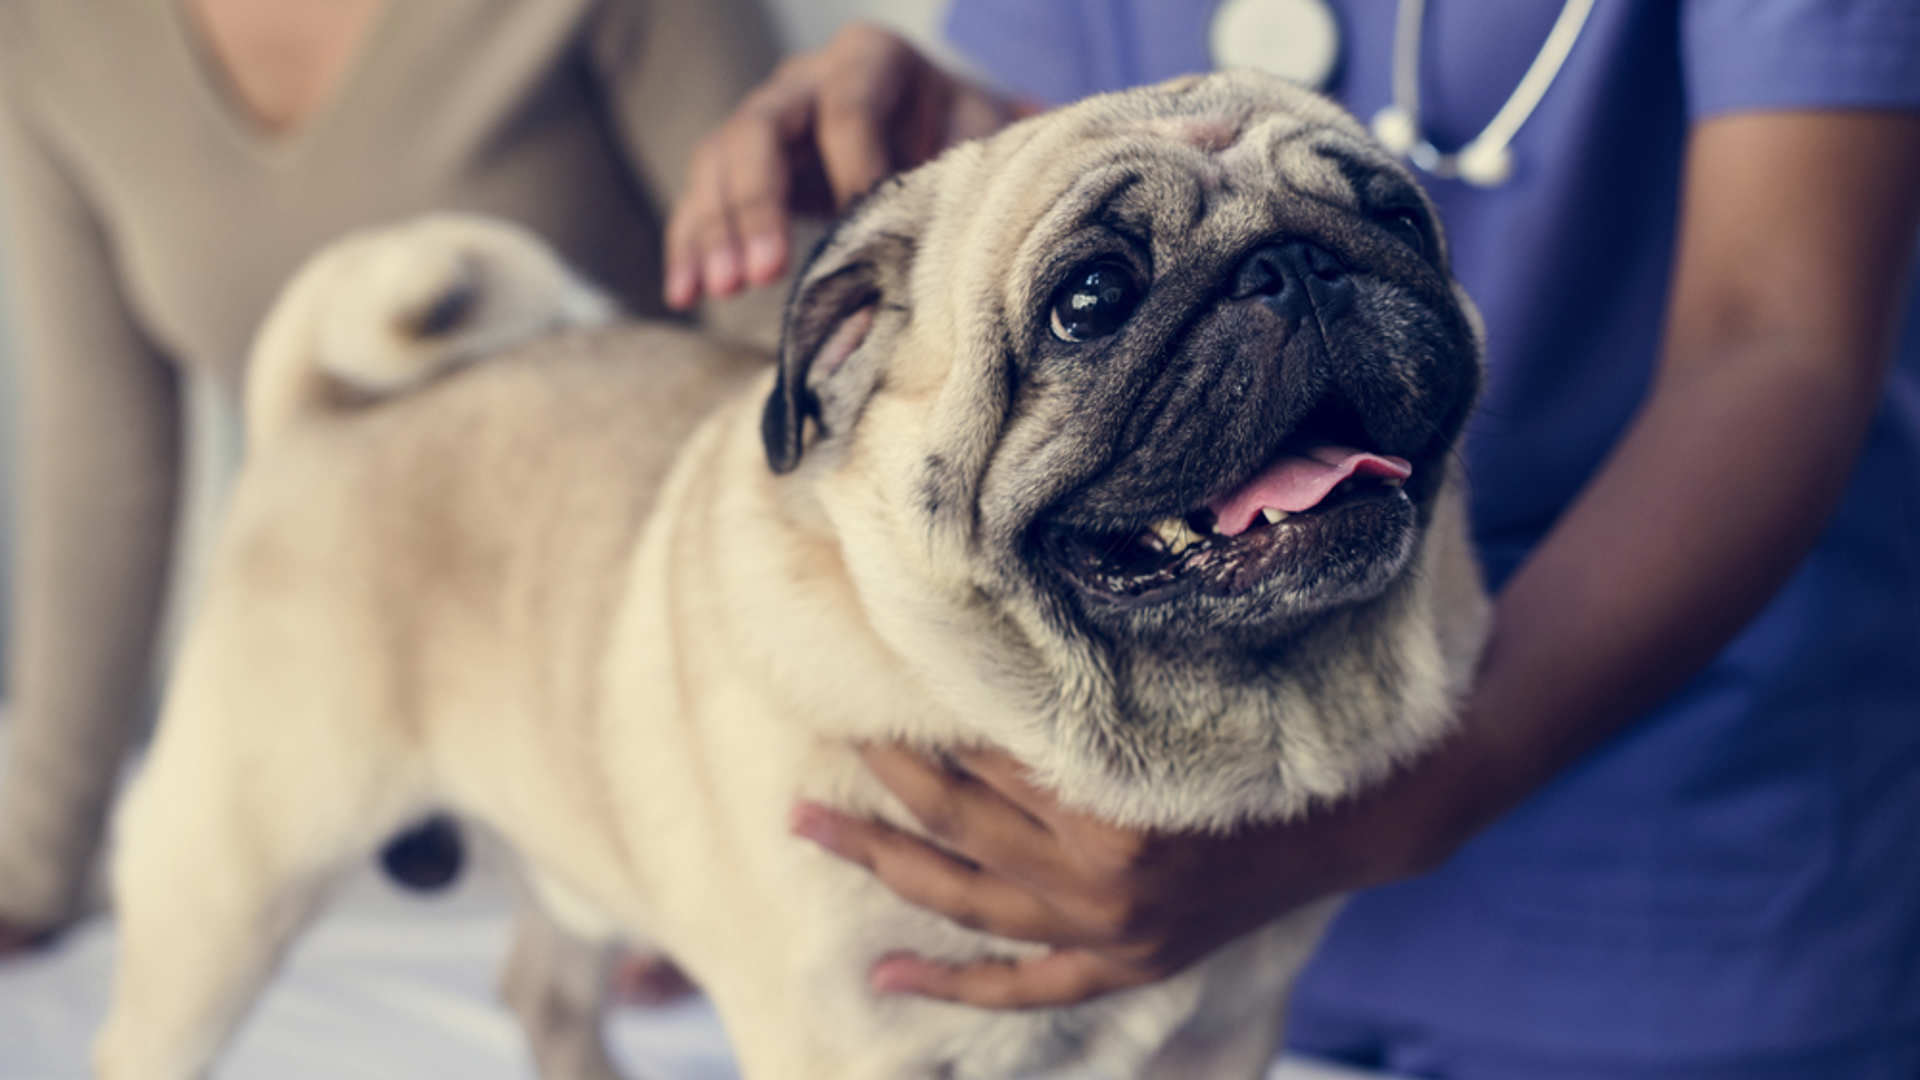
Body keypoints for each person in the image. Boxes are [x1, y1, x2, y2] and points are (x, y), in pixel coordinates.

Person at [665, 5, 1920, 1077]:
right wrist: (953, 137)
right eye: (1096, 298)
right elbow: (1071, 146)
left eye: (1373, 224)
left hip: (1677, 895)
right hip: (1160, 932)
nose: (1283, 293)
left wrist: (1374, 822)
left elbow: (1777, 340)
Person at [0, 0, 775, 953]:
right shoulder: (45, 35)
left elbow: (783, 339)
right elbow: (104, 456)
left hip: (646, 729)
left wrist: (745, 834)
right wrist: (37, 858)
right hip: (329, 703)